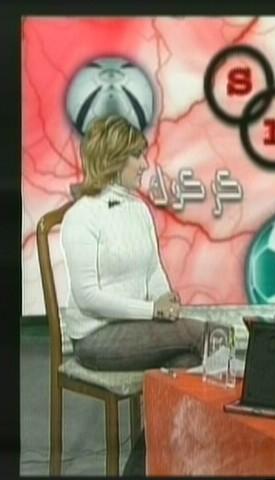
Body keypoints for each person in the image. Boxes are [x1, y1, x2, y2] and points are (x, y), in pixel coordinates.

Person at [60, 115, 206, 475]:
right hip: (95, 337)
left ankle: (144, 467)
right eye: (136, 156)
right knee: (202, 335)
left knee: (186, 363)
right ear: (114, 159)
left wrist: (165, 299)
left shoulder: (138, 209)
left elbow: (152, 269)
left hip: (135, 329)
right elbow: (88, 296)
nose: (144, 164)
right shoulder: (82, 216)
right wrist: (153, 311)